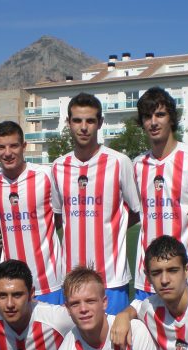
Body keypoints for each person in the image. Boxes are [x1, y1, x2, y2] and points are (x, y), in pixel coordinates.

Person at [51, 93, 140, 314]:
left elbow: (137, 212)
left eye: (90, 120)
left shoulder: (119, 162)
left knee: (114, 342)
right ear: (68, 123)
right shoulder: (58, 166)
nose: (84, 127)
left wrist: (110, 228)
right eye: (77, 120)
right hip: (71, 279)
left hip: (111, 278)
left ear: (100, 123)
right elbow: (57, 217)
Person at [133, 87, 188, 300]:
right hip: (146, 278)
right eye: (147, 117)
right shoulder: (137, 165)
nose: (153, 122)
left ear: (172, 118)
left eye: (160, 115)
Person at [0, 121, 64, 304]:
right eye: (1, 147)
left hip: (49, 281)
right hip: (12, 286)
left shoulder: (45, 176)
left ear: (24, 146)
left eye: (14, 146)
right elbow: (1, 225)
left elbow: (59, 217)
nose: (7, 153)